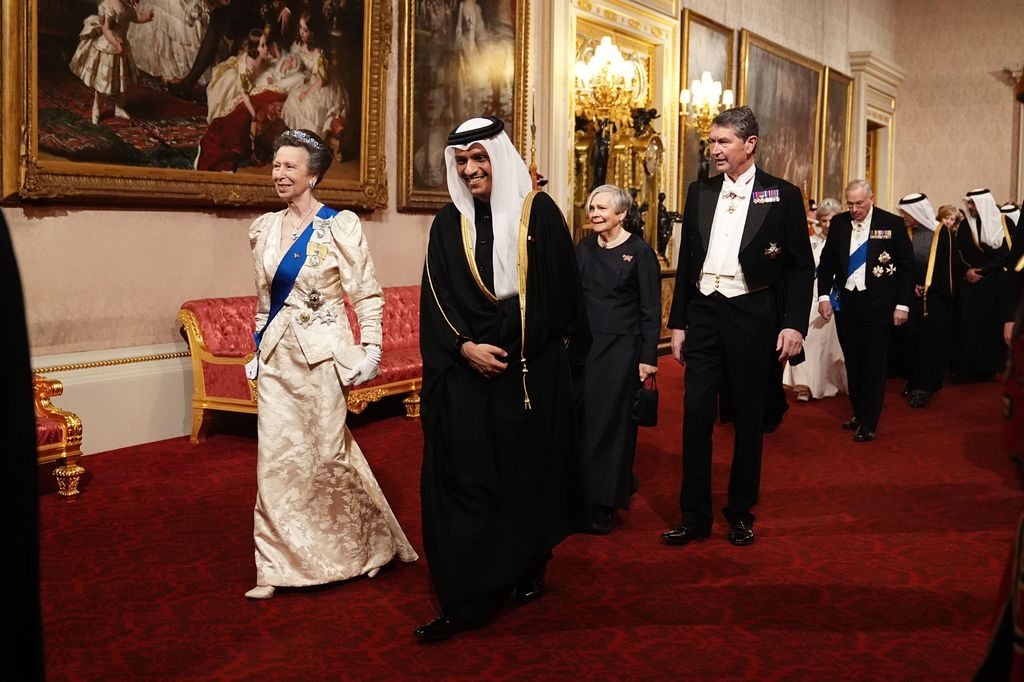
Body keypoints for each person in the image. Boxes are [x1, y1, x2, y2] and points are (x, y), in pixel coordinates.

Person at [416, 116, 590, 641]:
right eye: (461, 161)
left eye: (479, 158)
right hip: (467, 363)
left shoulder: (542, 215)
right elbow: (436, 297)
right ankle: (466, 597)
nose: (470, 170)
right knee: (464, 474)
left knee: (524, 475)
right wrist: (464, 347)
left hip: (528, 368)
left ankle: (529, 559)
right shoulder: (448, 225)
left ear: (499, 157)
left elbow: (564, 302)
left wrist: (525, 352)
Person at [244, 129, 417, 600]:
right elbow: (263, 303)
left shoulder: (340, 225)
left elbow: (365, 294)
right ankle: (276, 566)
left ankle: (367, 546)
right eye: (276, 165)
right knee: (276, 461)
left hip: (324, 358)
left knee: (328, 454)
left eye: (289, 167)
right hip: (278, 359)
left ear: (312, 174)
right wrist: (256, 350)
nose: (279, 174)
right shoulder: (262, 229)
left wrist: (373, 351)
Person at [661, 106, 814, 549]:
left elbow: (801, 269)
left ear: (750, 144)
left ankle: (740, 512)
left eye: (723, 142)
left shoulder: (782, 194)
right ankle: (694, 515)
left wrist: (793, 325)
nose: (715, 150)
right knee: (695, 413)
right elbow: (689, 257)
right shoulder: (699, 191)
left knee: (748, 416)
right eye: (712, 142)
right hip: (705, 313)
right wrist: (680, 324)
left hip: (753, 315)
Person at [575, 184, 660, 534]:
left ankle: (606, 502)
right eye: (591, 207)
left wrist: (647, 358)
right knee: (583, 421)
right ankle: (582, 492)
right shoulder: (582, 248)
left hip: (623, 350)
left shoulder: (640, 252)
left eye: (602, 208)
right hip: (584, 347)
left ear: (622, 214)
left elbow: (650, 309)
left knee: (612, 425)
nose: (594, 213)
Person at [816, 180, 914, 442]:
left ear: (871, 198)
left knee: (873, 362)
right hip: (847, 303)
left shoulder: (891, 223)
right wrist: (823, 296)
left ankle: (869, 421)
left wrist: (902, 305)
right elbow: (826, 264)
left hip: (879, 304)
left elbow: (906, 267)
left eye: (859, 203)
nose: (855, 209)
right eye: (850, 204)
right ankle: (859, 413)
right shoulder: (839, 223)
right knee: (854, 360)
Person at [783, 197, 847, 401]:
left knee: (830, 345)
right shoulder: (810, 242)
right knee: (808, 341)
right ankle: (804, 385)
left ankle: (832, 382)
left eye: (832, 220)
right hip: (810, 298)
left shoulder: (844, 241)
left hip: (835, 297)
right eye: (824, 220)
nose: (828, 224)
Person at [195, 29, 285, 171]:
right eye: (263, 46)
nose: (266, 48)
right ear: (255, 49)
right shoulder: (247, 67)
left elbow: (273, 63)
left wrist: (278, 54)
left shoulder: (263, 58)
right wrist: (252, 111)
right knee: (238, 109)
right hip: (239, 83)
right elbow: (244, 92)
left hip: (251, 82)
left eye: (265, 45)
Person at [897, 193, 954, 408]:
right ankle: (913, 380)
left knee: (929, 343)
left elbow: (947, 266)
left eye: (905, 213)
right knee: (910, 339)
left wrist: (929, 288)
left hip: (935, 298)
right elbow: (902, 263)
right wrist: (911, 286)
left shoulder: (943, 232)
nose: (902, 216)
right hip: (911, 295)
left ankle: (924, 387)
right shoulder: (906, 233)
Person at [953, 188, 1011, 382]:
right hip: (969, 285)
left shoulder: (1004, 223)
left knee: (989, 326)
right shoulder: (964, 226)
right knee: (968, 326)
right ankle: (966, 370)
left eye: (973, 203)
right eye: (968, 203)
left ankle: (987, 369)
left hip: (993, 284)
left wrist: (983, 271)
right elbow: (956, 253)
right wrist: (966, 271)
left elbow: (1007, 254)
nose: (969, 207)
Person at [69, 0, 155, 124]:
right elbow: (106, 30)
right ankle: (97, 107)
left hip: (122, 48)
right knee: (102, 82)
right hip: (108, 48)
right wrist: (115, 43)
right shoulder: (109, 6)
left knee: (122, 80)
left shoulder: (127, 5)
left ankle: (119, 107)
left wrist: (146, 17)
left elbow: (134, 17)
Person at [280, 11, 350, 144]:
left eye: (305, 30)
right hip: (310, 80)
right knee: (293, 98)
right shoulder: (299, 44)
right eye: (300, 28)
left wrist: (307, 92)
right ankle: (298, 137)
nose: (301, 32)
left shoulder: (319, 53)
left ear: (312, 32)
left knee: (308, 104)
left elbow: (322, 79)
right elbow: (296, 61)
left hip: (323, 85)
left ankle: (309, 141)